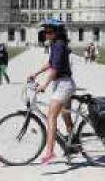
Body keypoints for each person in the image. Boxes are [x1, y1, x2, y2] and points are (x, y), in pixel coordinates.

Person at [27, 19, 76, 165]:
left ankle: (49, 152)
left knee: (51, 116)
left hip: (63, 84)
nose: (46, 34)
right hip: (63, 83)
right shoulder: (56, 44)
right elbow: (50, 63)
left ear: (57, 32)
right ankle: (73, 142)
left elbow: (55, 69)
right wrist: (35, 73)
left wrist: (44, 84)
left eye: (49, 31)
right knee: (65, 114)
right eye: (46, 31)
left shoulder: (59, 45)